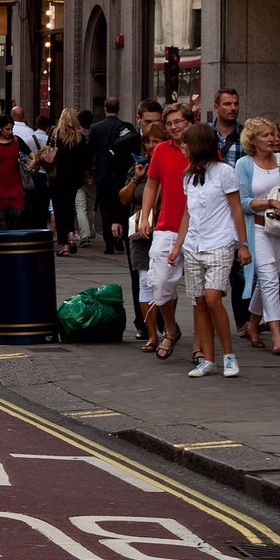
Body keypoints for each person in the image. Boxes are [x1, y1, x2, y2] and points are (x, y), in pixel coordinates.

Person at [169, 122, 249, 379]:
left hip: (220, 242)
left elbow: (237, 209)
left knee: (213, 299)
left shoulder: (225, 172)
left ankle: (228, 356)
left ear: (198, 145)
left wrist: (243, 245)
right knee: (200, 302)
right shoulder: (188, 177)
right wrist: (177, 246)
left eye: (185, 142)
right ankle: (208, 359)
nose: (182, 147)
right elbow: (187, 214)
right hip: (194, 245)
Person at [234, 118, 280, 357]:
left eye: (274, 134)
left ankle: (253, 323)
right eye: (266, 135)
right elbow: (242, 203)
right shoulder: (244, 165)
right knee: (268, 279)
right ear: (252, 140)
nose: (272, 139)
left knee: (271, 279)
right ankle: (276, 335)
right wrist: (270, 202)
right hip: (259, 229)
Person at [136, 104, 193, 362]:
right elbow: (151, 184)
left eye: (179, 122)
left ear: (190, 122)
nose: (174, 127)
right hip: (166, 226)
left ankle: (201, 345)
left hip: (198, 228)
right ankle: (170, 327)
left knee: (200, 292)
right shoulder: (160, 150)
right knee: (159, 284)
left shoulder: (201, 147)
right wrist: (145, 216)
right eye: (170, 123)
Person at [119, 122, 167, 349]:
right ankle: (151, 335)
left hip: (164, 229)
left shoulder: (169, 165)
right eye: (147, 141)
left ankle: (168, 327)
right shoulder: (138, 166)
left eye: (155, 141)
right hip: (139, 231)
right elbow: (124, 198)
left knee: (165, 282)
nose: (150, 146)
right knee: (144, 281)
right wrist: (137, 178)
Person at [88, 98, 136, 253]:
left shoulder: (96, 128)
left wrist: (89, 171)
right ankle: (120, 239)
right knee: (121, 205)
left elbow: (91, 151)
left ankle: (109, 242)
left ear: (105, 108)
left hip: (102, 174)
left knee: (105, 207)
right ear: (118, 109)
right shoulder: (125, 127)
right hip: (120, 173)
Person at [43, 108, 90, 256]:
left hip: (57, 178)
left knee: (59, 210)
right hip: (74, 180)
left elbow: (48, 152)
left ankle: (64, 244)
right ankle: (71, 234)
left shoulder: (56, 134)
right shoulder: (81, 138)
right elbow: (84, 161)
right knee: (69, 208)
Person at [0, 115, 26, 231]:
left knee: (16, 213)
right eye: (7, 129)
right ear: (0, 128)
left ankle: (12, 238)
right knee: (0, 217)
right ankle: (2, 242)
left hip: (15, 183)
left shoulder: (16, 140)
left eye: (11, 129)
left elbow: (32, 155)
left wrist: (31, 164)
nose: (10, 132)